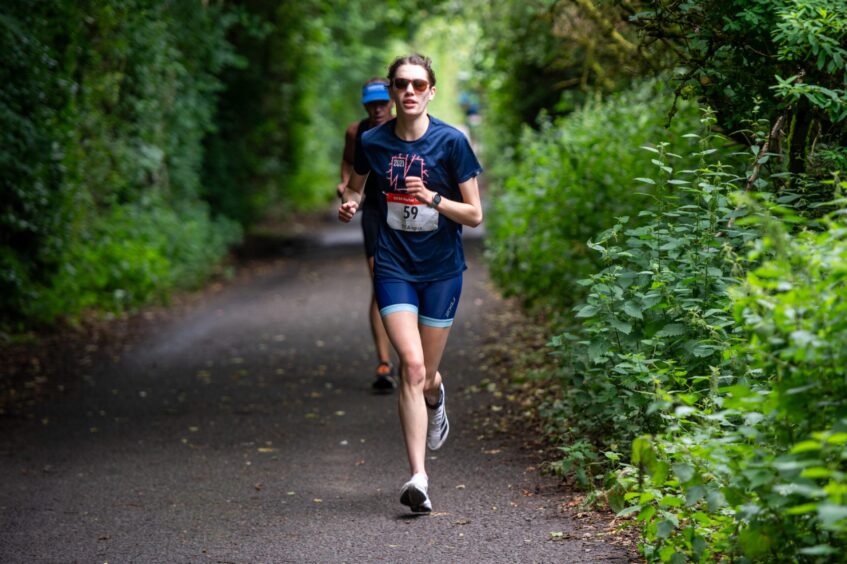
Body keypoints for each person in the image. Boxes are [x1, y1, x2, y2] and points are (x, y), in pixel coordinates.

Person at [338, 54, 483, 513]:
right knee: (412, 367)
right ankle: (419, 478)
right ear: (392, 90)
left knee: (428, 378)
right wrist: (351, 203)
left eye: (419, 84)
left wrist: (434, 199)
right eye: (402, 84)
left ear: (431, 91)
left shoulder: (451, 142)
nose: (410, 92)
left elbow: (475, 216)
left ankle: (437, 400)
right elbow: (357, 188)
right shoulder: (373, 141)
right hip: (394, 266)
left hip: (441, 270)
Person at [337, 78, 396, 393]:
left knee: (408, 279)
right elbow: (348, 162)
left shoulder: (404, 128)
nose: (377, 109)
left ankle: (414, 349)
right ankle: (384, 362)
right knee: (380, 279)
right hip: (373, 209)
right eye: (372, 103)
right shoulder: (355, 132)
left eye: (382, 102)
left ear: (393, 102)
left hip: (403, 209)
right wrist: (346, 185)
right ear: (364, 105)